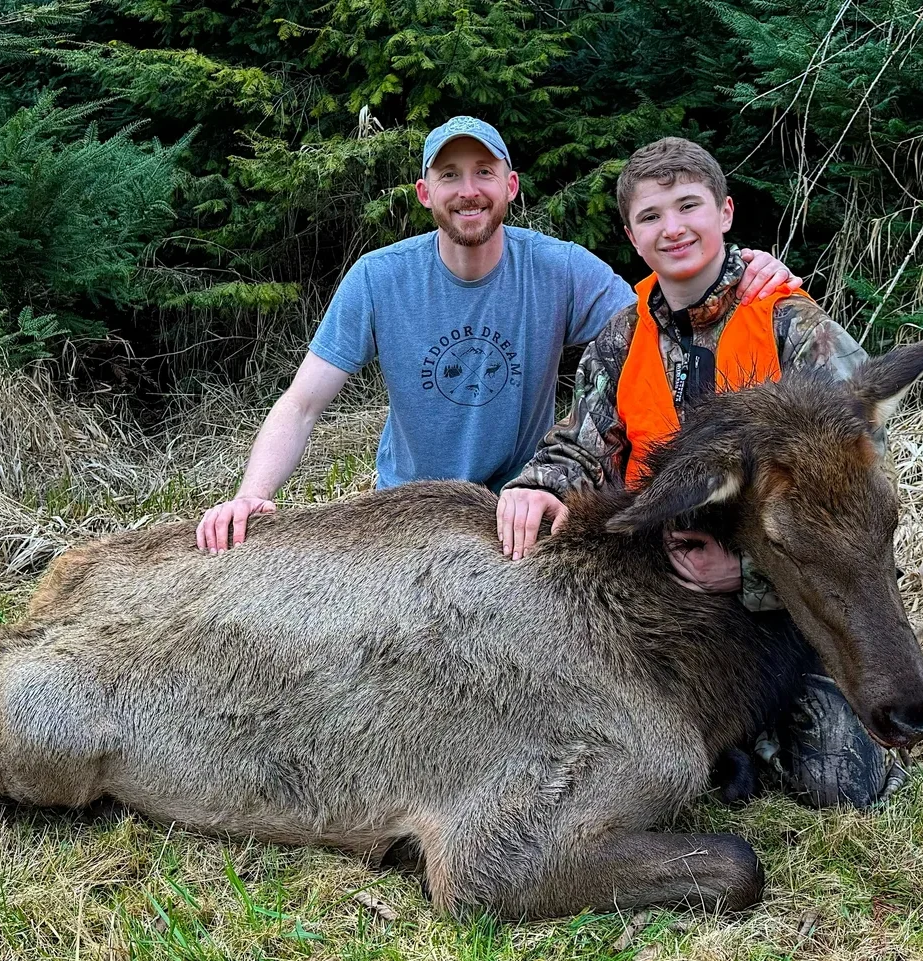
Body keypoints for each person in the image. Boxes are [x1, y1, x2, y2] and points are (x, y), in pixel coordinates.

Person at [496, 135, 896, 807]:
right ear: (631, 235)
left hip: (789, 599)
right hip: (665, 593)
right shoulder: (620, 339)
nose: (672, 228)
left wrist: (745, 574)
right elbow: (577, 444)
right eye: (651, 216)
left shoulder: (791, 325)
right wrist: (535, 483)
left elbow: (854, 523)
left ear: (725, 213)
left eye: (688, 206)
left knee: (838, 784)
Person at [197, 117, 798, 553]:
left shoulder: (559, 268)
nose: (469, 190)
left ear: (509, 186)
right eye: (450, 175)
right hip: (406, 508)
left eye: (484, 171)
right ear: (425, 193)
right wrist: (251, 495)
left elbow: (663, 314)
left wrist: (743, 270)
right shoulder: (380, 279)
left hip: (522, 505)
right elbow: (302, 404)